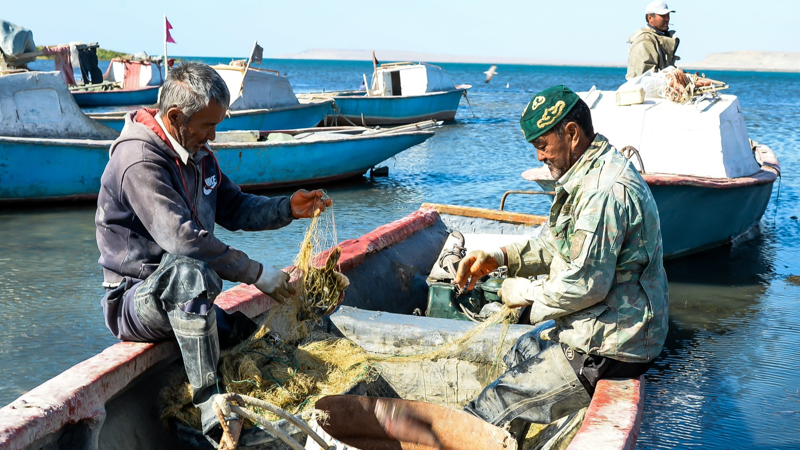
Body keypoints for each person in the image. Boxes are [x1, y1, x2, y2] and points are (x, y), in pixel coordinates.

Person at [95, 62, 335, 438]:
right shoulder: (139, 160)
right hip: (136, 302)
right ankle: (211, 405)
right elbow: (182, 240)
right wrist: (258, 274)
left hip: (192, 299)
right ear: (176, 117)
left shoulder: (199, 155)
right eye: (208, 125)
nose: (213, 135)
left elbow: (235, 206)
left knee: (251, 338)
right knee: (191, 270)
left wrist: (287, 207)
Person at [455, 85, 669, 438]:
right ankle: (509, 444)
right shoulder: (586, 175)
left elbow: (586, 283)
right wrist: (499, 257)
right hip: (597, 322)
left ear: (571, 134)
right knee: (521, 350)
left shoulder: (604, 190)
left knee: (496, 402)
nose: (539, 157)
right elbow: (555, 246)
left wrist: (525, 293)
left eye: (542, 146)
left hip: (614, 342)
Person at [626, 1, 679, 80]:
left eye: (668, 15)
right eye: (663, 16)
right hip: (644, 91)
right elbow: (646, 77)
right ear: (650, 18)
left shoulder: (660, 38)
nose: (667, 19)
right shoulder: (644, 41)